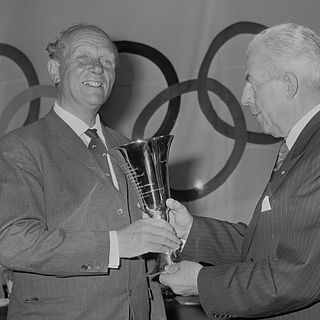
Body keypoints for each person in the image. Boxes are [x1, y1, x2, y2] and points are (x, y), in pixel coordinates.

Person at [0, 23, 180, 320]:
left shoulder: (127, 147)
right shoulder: (20, 147)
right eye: (83, 58)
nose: (97, 68)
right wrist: (115, 244)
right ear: (55, 71)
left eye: (106, 61)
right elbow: (12, 241)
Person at [160, 23, 320, 319]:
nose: (245, 98)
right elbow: (266, 250)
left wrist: (200, 282)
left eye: (252, 83)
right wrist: (190, 231)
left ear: (289, 84)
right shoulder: (302, 146)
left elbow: (298, 276)